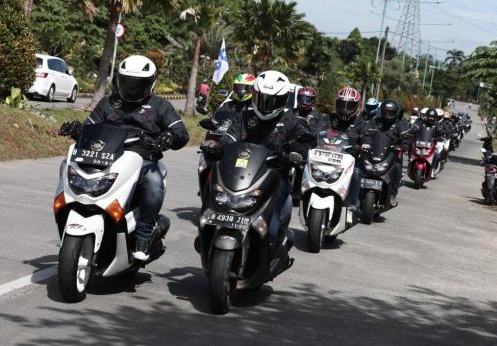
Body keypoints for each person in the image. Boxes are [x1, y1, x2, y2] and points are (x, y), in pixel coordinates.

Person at [59, 55, 189, 260]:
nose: (131, 89)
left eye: (137, 85)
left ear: (150, 84)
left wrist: (169, 136)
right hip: (105, 156)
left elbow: (182, 133)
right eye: (127, 82)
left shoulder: (160, 106)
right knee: (66, 164)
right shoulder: (108, 103)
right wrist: (77, 129)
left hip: (143, 159)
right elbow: (89, 127)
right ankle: (69, 210)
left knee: (154, 183)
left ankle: (144, 236)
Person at [212, 70, 312, 247]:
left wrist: (297, 154)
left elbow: (303, 141)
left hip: (274, 177)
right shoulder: (244, 117)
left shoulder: (291, 120)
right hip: (240, 173)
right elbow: (229, 136)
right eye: (262, 98)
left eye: (271, 100)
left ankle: (271, 245)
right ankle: (208, 231)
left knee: (279, 211)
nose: (265, 105)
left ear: (283, 99)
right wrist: (217, 146)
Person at [361, 99, 412, 206]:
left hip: (391, 154)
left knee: (398, 166)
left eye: (391, 112)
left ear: (396, 113)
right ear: (381, 111)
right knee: (357, 166)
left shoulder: (400, 123)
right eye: (385, 112)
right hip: (373, 153)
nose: (388, 115)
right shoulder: (374, 121)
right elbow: (365, 132)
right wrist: (363, 142)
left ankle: (393, 193)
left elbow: (406, 134)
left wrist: (404, 144)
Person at [325, 87, 366, 214]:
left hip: (350, 160)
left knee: (357, 173)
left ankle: (351, 204)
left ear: (357, 106)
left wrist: (363, 145)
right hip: (326, 156)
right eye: (342, 105)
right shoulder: (329, 118)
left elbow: (367, 137)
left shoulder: (361, 122)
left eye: (349, 106)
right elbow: (317, 131)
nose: (345, 109)